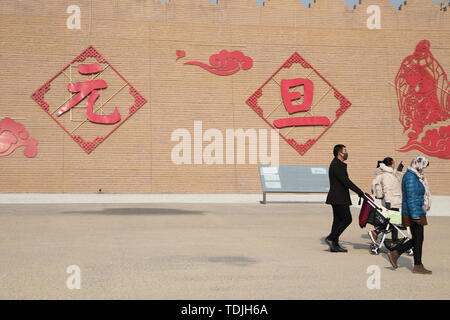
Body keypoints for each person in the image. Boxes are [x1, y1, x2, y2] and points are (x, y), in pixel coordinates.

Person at [388, 155, 432, 274]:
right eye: (423, 166)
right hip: (414, 212)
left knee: (418, 238)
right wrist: (415, 215)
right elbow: (411, 198)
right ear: (417, 164)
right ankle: (402, 257)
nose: (423, 169)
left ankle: (405, 258)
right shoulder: (411, 177)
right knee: (418, 238)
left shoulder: (415, 176)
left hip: (417, 210)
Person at [325, 144, 365, 253]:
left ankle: (334, 245)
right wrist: (359, 192)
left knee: (337, 221)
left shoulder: (338, 164)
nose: (347, 153)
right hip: (338, 197)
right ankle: (331, 238)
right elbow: (346, 181)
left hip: (338, 197)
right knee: (347, 219)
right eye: (345, 151)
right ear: (340, 153)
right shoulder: (336, 165)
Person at [369, 157, 404, 243]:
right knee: (393, 221)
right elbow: (387, 189)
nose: (395, 165)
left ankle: (394, 239)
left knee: (393, 221)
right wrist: (388, 202)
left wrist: (399, 170)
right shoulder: (387, 175)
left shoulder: (389, 173)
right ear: (391, 164)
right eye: (394, 163)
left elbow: (398, 179)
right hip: (391, 201)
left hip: (393, 200)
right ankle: (376, 232)